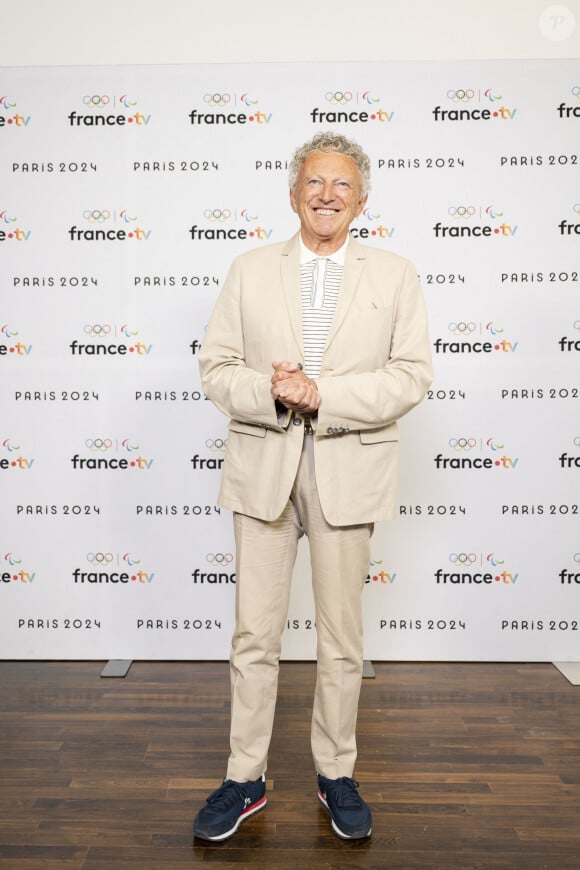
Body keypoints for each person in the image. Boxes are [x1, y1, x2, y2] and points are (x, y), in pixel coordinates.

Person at [194, 131, 432, 842]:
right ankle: (244, 779)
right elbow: (216, 367)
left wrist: (323, 394)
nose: (327, 195)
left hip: (348, 473)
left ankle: (336, 773)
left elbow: (411, 376)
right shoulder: (248, 268)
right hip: (262, 467)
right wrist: (274, 391)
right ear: (292, 191)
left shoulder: (395, 274)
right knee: (253, 637)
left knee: (340, 640)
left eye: (341, 185)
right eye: (314, 183)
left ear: (362, 198)